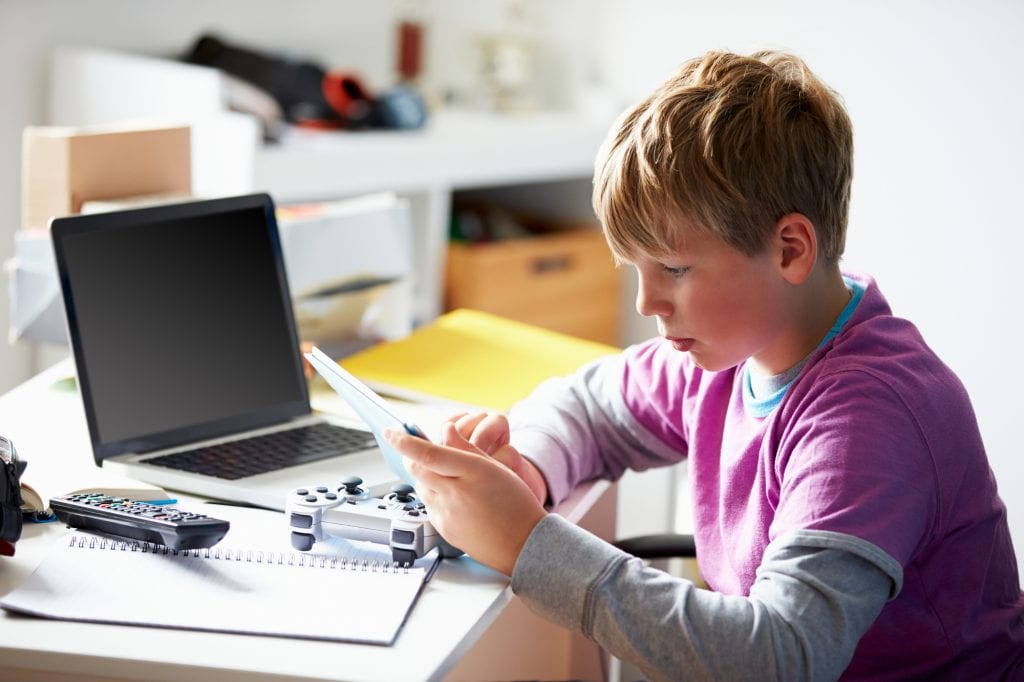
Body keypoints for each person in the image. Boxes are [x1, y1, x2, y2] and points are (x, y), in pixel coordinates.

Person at [384, 50, 1024, 680]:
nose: (645, 301)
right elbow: (592, 404)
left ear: (790, 250)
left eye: (675, 269)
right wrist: (527, 463)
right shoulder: (733, 346)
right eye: (635, 268)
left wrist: (528, 544)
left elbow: (781, 658)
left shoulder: (871, 417)